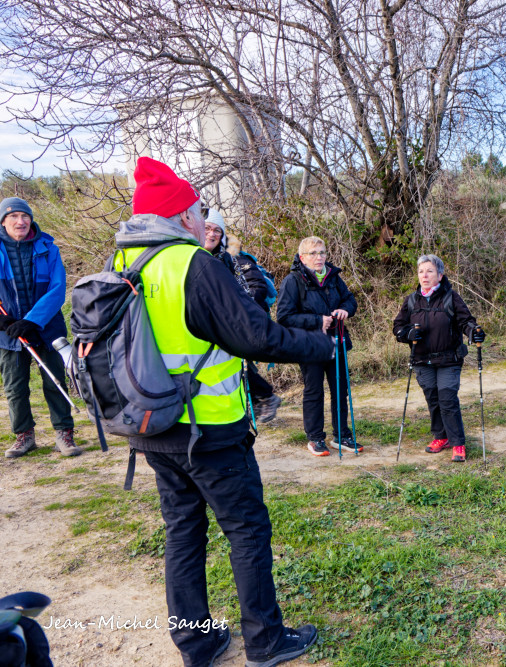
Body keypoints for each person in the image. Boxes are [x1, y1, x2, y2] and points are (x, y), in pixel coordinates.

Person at [117, 157, 335, 667]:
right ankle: (266, 640)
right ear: (182, 215)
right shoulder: (192, 264)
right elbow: (256, 336)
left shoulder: (123, 260)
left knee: (182, 533)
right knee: (247, 531)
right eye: (198, 210)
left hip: (152, 425)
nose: (202, 219)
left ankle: (197, 644)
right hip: (209, 429)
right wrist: (318, 345)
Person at [0, 196, 80, 458]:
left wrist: (33, 320)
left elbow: (58, 289)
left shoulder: (49, 248)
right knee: (15, 387)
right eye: (13, 216)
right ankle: (24, 436)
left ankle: (64, 432)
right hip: (9, 333)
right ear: (3, 222)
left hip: (46, 328)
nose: (20, 221)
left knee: (55, 381)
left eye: (25, 216)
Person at [392, 254, 484, 463]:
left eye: (429, 271)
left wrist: (474, 332)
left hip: (449, 359)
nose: (424, 276)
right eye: (421, 271)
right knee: (433, 398)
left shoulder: (451, 298)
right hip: (422, 360)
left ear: (440, 275)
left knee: (447, 398)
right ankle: (441, 436)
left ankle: (457, 442)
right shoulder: (412, 300)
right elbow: (398, 327)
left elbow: (466, 322)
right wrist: (408, 334)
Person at [276, 236, 362, 456]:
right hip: (309, 345)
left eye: (322, 252)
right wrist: (316, 321)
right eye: (313, 253)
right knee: (314, 391)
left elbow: (350, 300)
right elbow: (284, 316)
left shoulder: (333, 276)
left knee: (340, 390)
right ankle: (315, 438)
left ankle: (342, 435)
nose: (319, 257)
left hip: (336, 341)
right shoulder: (293, 280)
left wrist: (345, 310)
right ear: (302, 257)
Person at [202, 207, 283, 423]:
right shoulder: (193, 257)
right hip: (212, 324)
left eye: (217, 231)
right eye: (207, 228)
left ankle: (264, 397)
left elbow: (256, 286)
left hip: (235, 323)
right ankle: (258, 400)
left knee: (236, 364)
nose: (211, 234)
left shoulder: (233, 258)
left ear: (223, 236)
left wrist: (240, 314)